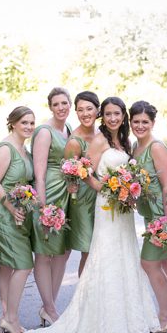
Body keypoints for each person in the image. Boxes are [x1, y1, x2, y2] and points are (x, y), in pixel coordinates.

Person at [0, 97, 158, 333]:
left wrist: (128, 191)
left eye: (117, 113)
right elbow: (87, 172)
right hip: (107, 205)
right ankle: (98, 316)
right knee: (104, 254)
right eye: (108, 114)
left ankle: (125, 314)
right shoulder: (99, 140)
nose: (113, 118)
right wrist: (109, 190)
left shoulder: (125, 141)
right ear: (102, 117)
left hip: (124, 209)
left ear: (123, 116)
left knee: (124, 254)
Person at [0, 106, 36, 333]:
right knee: (24, 265)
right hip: (3, 212)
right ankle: (12, 319)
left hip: (18, 213)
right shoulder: (5, 149)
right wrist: (12, 208)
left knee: (7, 265)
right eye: (24, 122)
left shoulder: (24, 149)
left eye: (32, 123)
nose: (29, 127)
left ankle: (6, 315)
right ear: (13, 123)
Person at [130, 100, 167, 333]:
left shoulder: (156, 147)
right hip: (151, 212)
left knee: (148, 262)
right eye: (136, 121)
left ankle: (166, 312)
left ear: (152, 123)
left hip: (163, 211)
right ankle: (166, 308)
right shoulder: (135, 147)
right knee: (164, 261)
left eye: (145, 122)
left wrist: (166, 222)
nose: (140, 126)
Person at [30, 88, 72, 326]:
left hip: (67, 197)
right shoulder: (44, 132)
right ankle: (48, 306)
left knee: (63, 252)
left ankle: (50, 306)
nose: (61, 108)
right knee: (45, 253)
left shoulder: (67, 129)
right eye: (56, 104)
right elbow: (40, 173)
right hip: (50, 196)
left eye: (65, 103)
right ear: (50, 107)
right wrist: (43, 206)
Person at [63, 90, 100, 276]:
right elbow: (68, 173)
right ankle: (84, 298)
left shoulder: (103, 134)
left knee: (102, 250)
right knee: (89, 251)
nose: (85, 114)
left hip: (102, 198)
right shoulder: (74, 142)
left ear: (98, 110)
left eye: (89, 109)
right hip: (83, 200)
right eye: (80, 110)